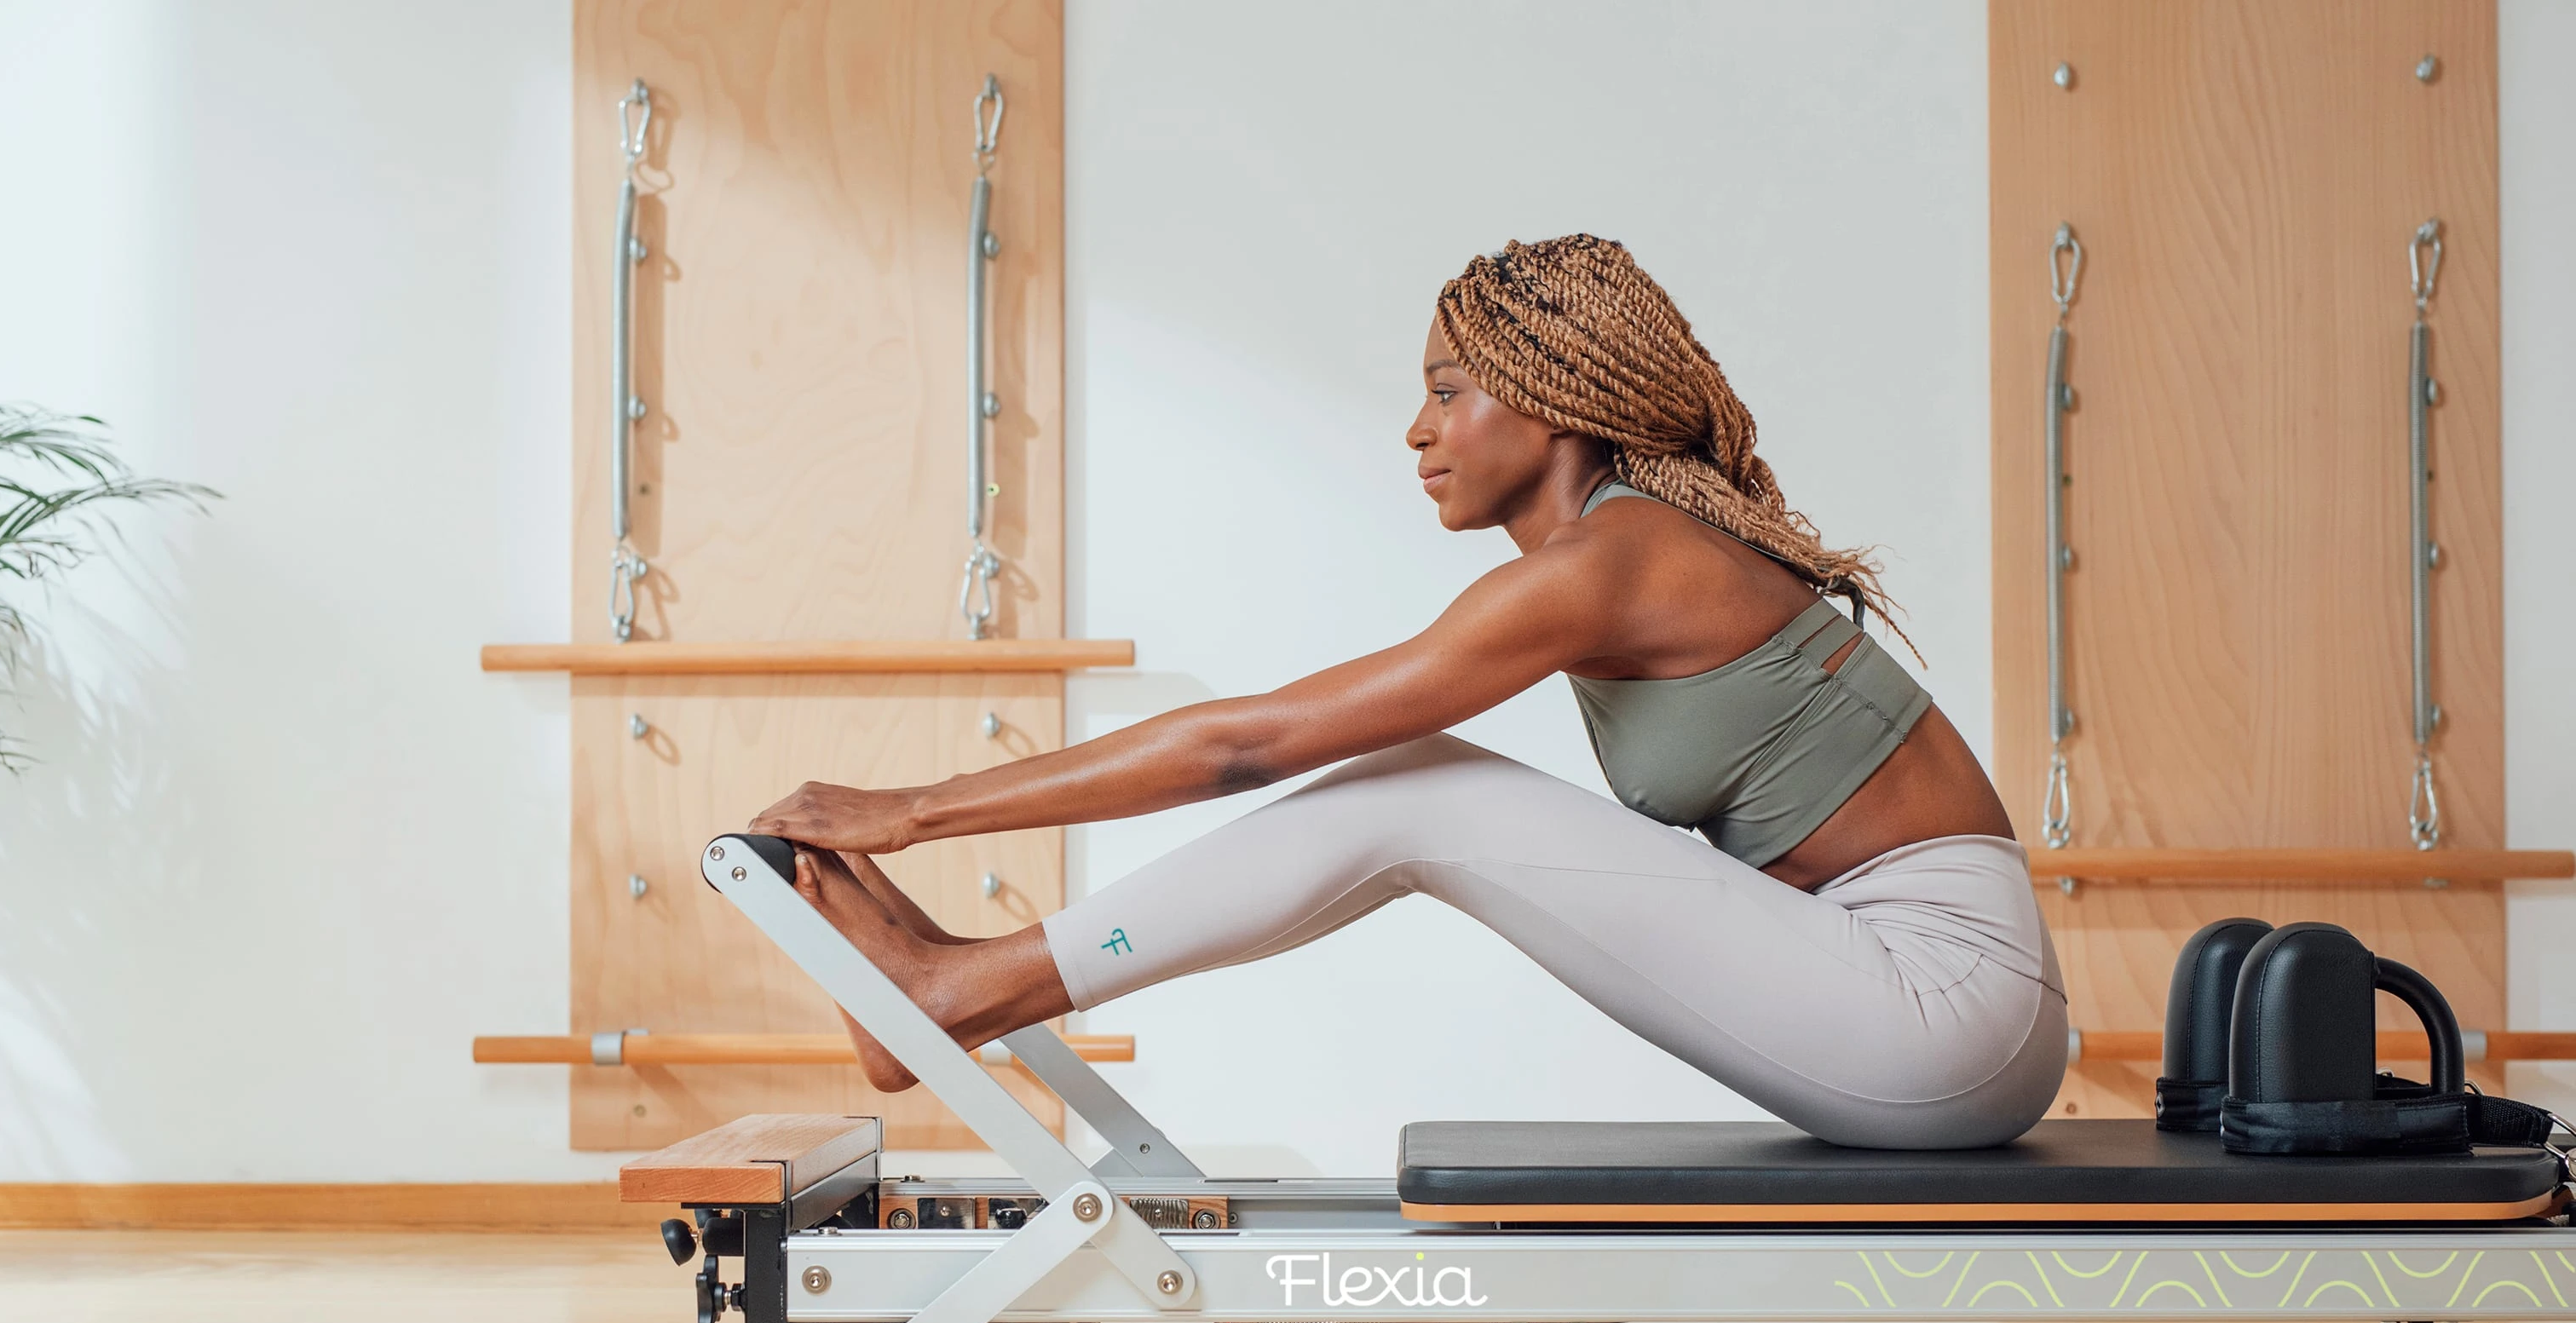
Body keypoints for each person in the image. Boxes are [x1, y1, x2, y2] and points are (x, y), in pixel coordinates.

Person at [750, 233, 2066, 1150]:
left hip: (1945, 1013)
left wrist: (915, 810)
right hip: (1922, 1001)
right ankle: (957, 989)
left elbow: (1247, 745)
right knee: (1423, 793)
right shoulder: (1620, 554)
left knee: (1419, 793)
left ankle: (962, 992)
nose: (1417, 429)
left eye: (1448, 391)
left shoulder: (1615, 563)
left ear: (1554, 402)